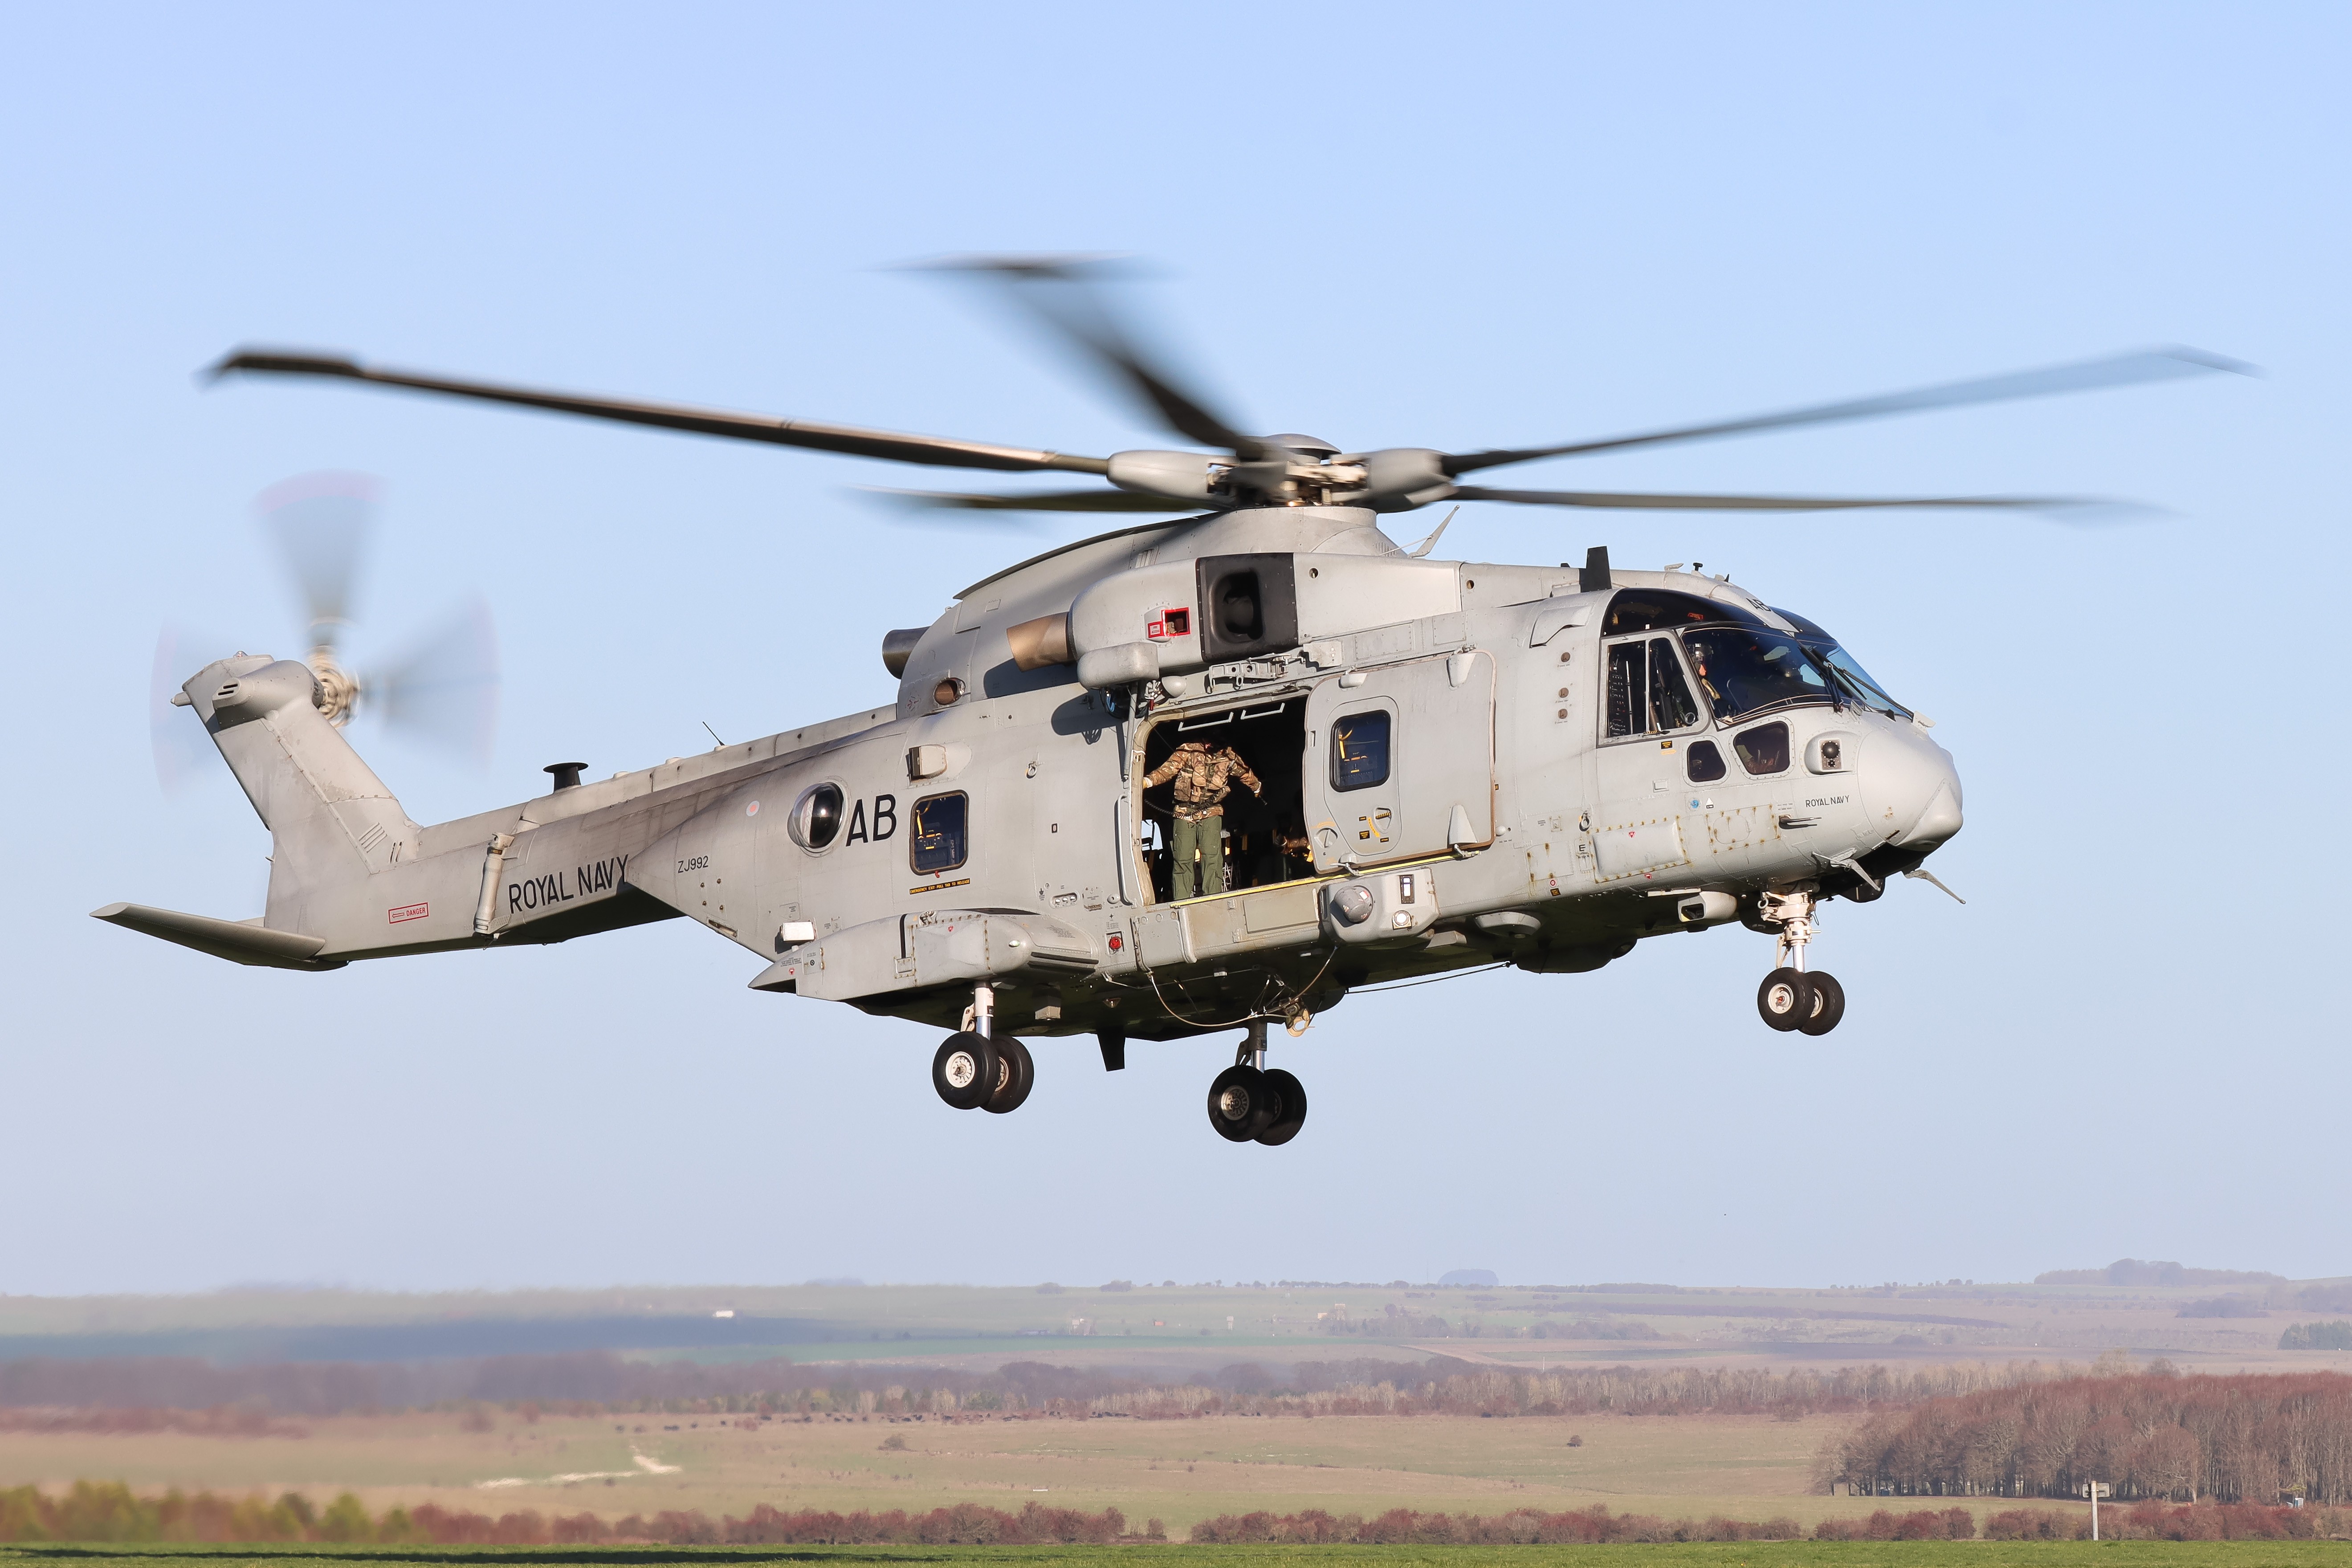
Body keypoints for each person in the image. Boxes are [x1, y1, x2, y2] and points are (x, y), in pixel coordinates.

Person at [1143, 738, 1263, 900]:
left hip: (1211, 812)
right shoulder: (1188, 750)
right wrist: (1147, 782)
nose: (1209, 745)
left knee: (1212, 856)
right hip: (1184, 812)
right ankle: (1182, 901)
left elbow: (1244, 772)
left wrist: (1257, 787)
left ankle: (1212, 898)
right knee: (1182, 859)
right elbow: (1168, 770)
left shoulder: (1228, 756)